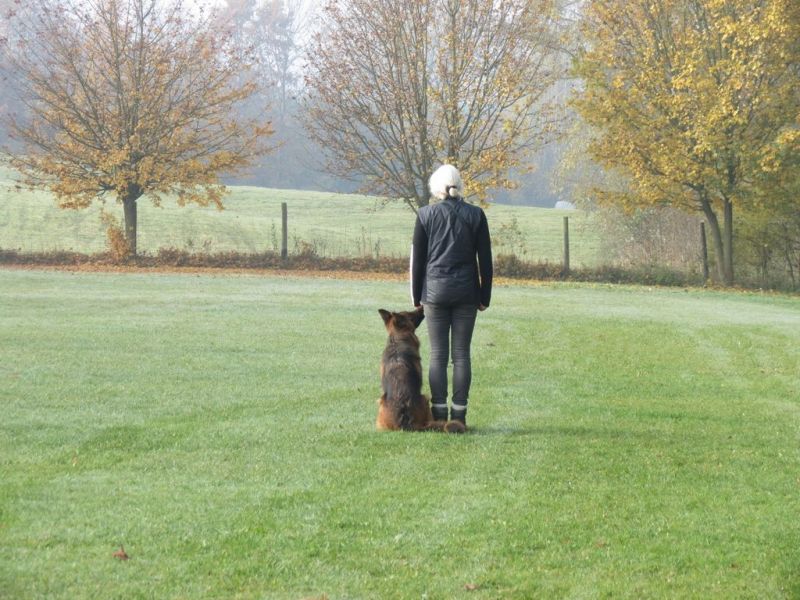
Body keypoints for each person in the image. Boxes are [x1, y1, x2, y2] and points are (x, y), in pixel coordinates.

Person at [410, 164, 493, 429]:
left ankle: (438, 414)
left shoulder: (425, 215)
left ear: (436, 188)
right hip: (467, 292)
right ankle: (459, 416)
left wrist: (416, 296)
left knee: (437, 355)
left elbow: (417, 261)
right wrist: (485, 296)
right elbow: (486, 260)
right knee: (461, 355)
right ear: (460, 185)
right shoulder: (476, 215)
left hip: (434, 293)